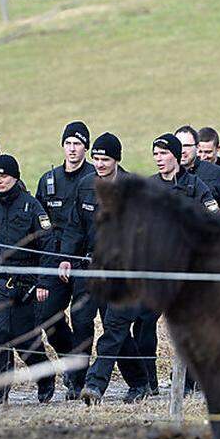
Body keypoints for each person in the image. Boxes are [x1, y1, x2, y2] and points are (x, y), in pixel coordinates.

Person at [65, 133, 151, 404]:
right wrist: (65, 258)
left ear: (117, 160)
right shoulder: (84, 186)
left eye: (106, 159)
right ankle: (140, 382)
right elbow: (74, 227)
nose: (100, 164)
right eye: (97, 159)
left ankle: (94, 385)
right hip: (92, 269)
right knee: (94, 325)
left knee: (114, 327)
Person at [0, 154, 54, 405]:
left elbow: (48, 245)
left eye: (4, 176)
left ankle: (45, 378)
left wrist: (43, 282)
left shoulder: (31, 206)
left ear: (15, 177)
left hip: (26, 284)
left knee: (26, 342)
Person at [145, 133, 218, 394]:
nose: (158, 159)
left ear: (176, 156)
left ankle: (191, 381)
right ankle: (147, 383)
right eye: (155, 154)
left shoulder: (197, 187)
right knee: (143, 324)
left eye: (163, 153)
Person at [34, 122, 97, 400]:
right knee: (47, 315)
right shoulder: (49, 180)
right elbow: (38, 225)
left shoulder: (96, 178)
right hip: (54, 258)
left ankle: (78, 378)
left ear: (86, 148)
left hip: (85, 261)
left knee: (82, 319)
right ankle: (71, 361)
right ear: (63, 146)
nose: (72, 149)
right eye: (68, 143)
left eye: (78, 144)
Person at [176, 125, 220, 215]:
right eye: (200, 152)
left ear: (218, 149)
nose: (203, 157)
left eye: (208, 152)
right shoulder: (171, 176)